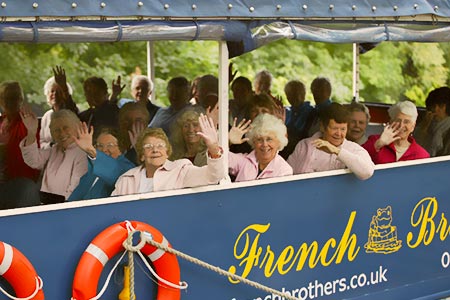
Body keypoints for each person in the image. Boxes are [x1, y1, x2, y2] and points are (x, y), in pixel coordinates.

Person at [112, 114, 224, 195]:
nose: (155, 150)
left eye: (160, 145)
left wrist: (213, 148)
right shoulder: (127, 179)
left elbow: (213, 176)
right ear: (141, 155)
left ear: (167, 152)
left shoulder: (181, 170)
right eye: (148, 147)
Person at [288, 103, 374, 180]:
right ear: (322, 126)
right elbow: (288, 174)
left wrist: (337, 151)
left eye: (343, 129)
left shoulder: (352, 148)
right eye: (334, 128)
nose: (339, 133)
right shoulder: (304, 145)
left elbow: (367, 172)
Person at [20, 109, 88, 203]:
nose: (62, 133)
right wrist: (31, 132)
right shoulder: (54, 149)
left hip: (64, 208)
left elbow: (75, 191)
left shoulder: (83, 153)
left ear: (78, 127)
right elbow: (33, 160)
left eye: (66, 128)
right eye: (57, 130)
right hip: (46, 204)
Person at [68, 125, 135, 200]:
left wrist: (91, 151)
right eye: (100, 146)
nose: (104, 150)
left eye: (110, 145)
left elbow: (114, 172)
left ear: (121, 147)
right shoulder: (92, 171)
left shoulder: (127, 168)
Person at [228, 113, 292, 182]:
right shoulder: (245, 161)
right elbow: (219, 159)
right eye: (259, 139)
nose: (264, 144)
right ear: (254, 142)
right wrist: (228, 141)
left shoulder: (284, 170)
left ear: (279, 142)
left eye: (269, 139)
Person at [363, 101, 429, 164]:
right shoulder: (375, 140)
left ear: (413, 127)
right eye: (398, 120)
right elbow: (357, 158)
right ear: (391, 122)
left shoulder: (422, 155)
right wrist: (379, 143)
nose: (401, 125)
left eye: (406, 122)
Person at [0, 81, 40, 182]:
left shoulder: (27, 123)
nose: (10, 102)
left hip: (20, 180)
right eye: (6, 98)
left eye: (14, 98)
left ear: (21, 100)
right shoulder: (2, 121)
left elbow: (32, 155)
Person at [40, 66, 79, 149]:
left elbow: (71, 107)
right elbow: (42, 142)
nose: (55, 94)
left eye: (59, 91)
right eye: (52, 91)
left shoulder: (70, 112)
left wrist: (64, 87)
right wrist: (51, 146)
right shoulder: (46, 116)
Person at [415, 87, 450, 156]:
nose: (436, 109)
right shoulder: (426, 123)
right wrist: (424, 126)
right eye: (433, 106)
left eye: (440, 106)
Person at [284, 80, 314, 156]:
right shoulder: (287, 112)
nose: (295, 97)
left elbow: (301, 133)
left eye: (297, 94)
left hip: (302, 148)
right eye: (290, 95)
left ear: (304, 94)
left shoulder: (310, 112)